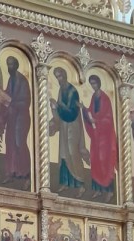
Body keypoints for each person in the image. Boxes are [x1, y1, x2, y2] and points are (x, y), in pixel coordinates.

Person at [49, 67, 88, 196]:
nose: (59, 79)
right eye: (57, 77)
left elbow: (71, 112)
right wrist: (54, 108)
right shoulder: (61, 90)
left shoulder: (72, 91)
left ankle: (81, 183)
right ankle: (65, 182)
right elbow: (61, 112)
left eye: (60, 76)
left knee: (72, 151)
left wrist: (58, 106)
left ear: (65, 76)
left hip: (73, 124)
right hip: (64, 125)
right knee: (63, 153)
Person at [0, 56, 31, 186]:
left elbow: (25, 101)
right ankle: (11, 172)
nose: (10, 67)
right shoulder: (11, 79)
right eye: (8, 64)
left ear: (16, 65)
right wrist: (0, 94)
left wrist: (11, 102)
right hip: (12, 117)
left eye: (11, 64)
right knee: (10, 144)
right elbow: (9, 94)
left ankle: (26, 174)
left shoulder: (22, 80)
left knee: (19, 143)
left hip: (21, 118)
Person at [82, 75, 118, 200]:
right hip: (96, 136)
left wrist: (96, 120)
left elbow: (107, 118)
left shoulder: (105, 98)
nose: (93, 86)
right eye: (91, 83)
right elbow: (91, 112)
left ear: (99, 83)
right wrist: (84, 109)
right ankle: (98, 189)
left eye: (95, 83)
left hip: (105, 138)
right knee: (95, 161)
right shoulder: (94, 97)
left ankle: (109, 191)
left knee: (105, 162)